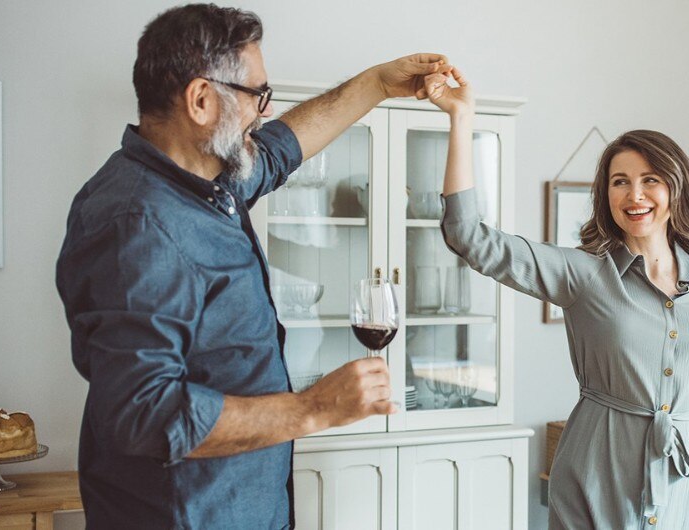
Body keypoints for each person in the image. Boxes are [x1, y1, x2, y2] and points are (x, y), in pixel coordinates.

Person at [54, 5, 450, 528]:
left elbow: (281, 148)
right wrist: (314, 408)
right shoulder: (138, 223)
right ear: (200, 99)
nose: (263, 112)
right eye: (256, 96)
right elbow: (142, 412)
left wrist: (378, 82)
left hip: (247, 506)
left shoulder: (205, 178)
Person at [424, 71, 689, 529]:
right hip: (598, 480)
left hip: (687, 492)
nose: (635, 195)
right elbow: (469, 238)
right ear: (606, 194)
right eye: (620, 182)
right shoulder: (582, 273)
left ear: (675, 189)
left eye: (650, 180)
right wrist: (462, 118)